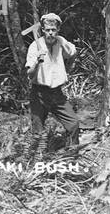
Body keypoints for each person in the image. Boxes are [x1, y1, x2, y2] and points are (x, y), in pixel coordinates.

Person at [25, 12, 80, 157]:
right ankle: (36, 161)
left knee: (73, 124)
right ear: (42, 30)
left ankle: (72, 157)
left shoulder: (61, 42)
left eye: (53, 30)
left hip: (57, 93)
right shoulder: (35, 46)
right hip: (39, 94)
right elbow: (29, 74)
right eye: (47, 29)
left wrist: (68, 67)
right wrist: (36, 61)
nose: (50, 33)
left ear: (57, 30)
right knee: (38, 133)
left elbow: (73, 52)